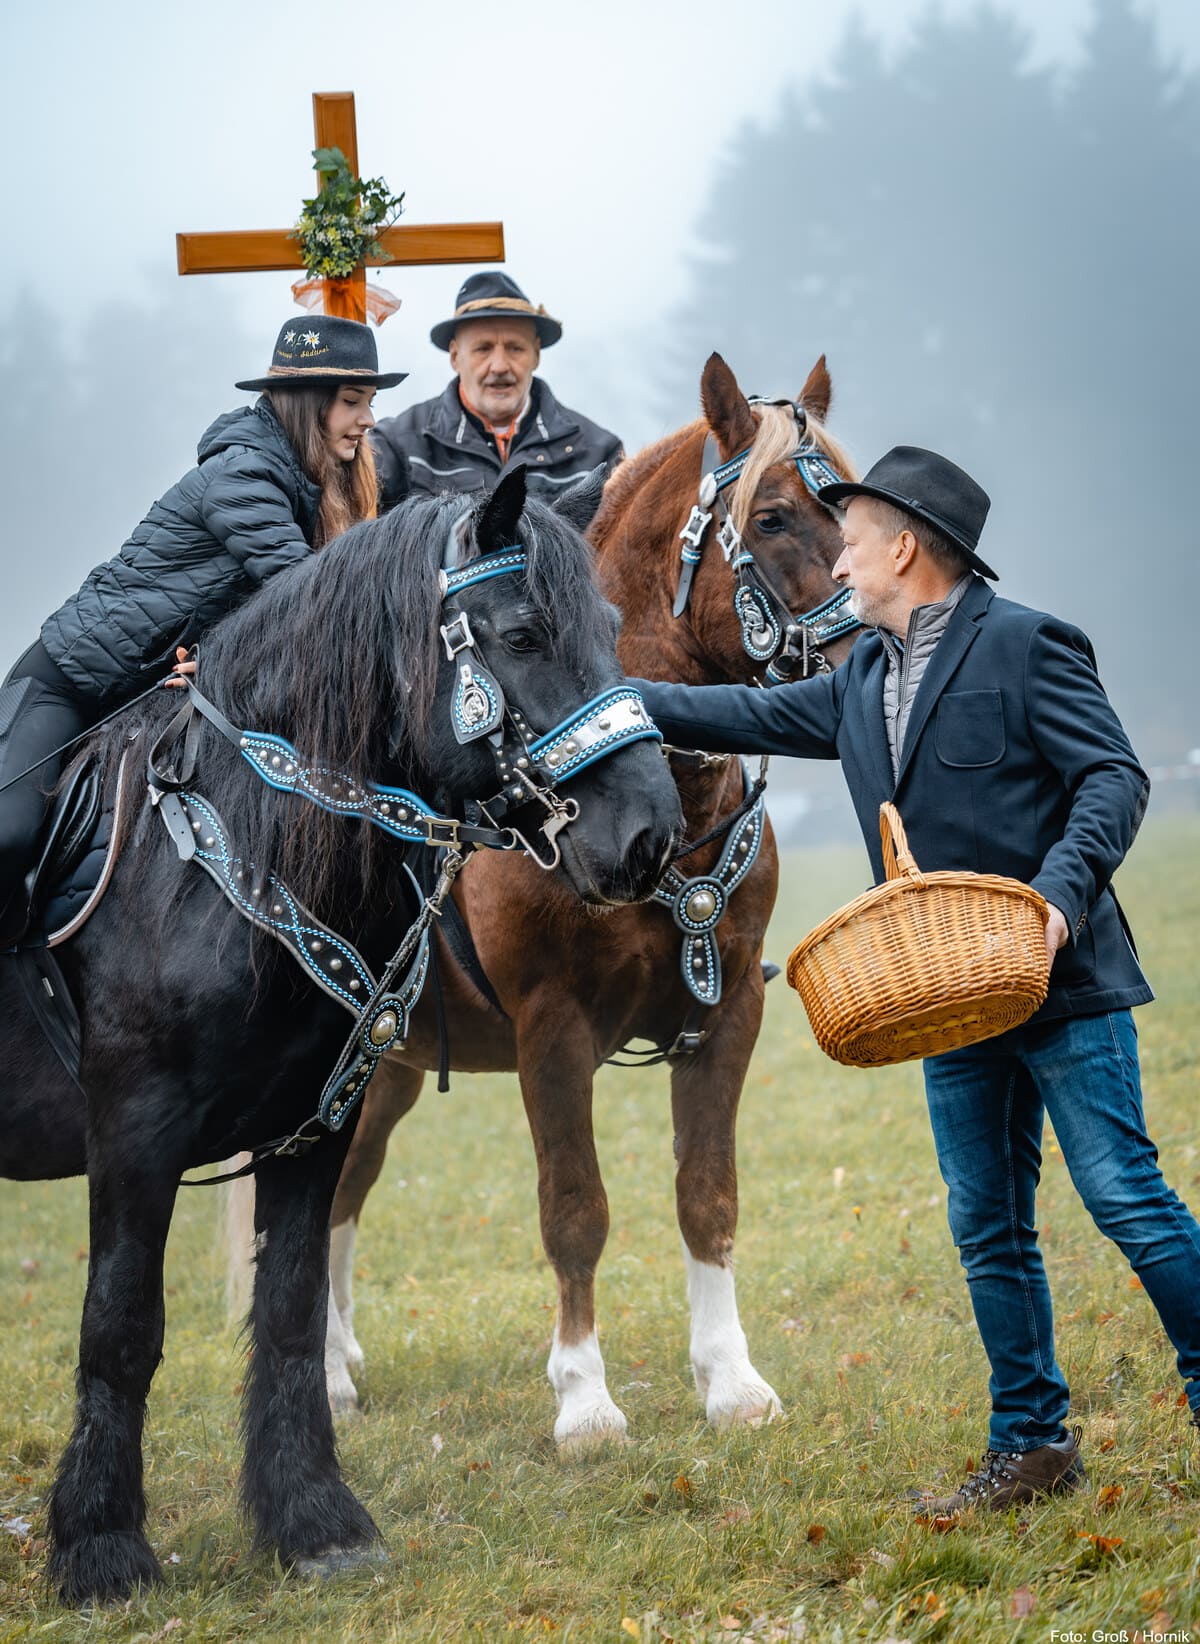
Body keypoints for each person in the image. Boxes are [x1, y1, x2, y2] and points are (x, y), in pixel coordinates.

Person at [631, 445, 1200, 1511]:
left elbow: (1113, 778)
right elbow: (742, 716)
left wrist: (1056, 902)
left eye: (849, 544)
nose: (837, 566)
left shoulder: (1027, 643)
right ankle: (1032, 1448)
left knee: (1127, 1199)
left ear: (904, 548)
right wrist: (614, 699)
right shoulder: (860, 679)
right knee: (988, 1228)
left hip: (1063, 986)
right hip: (946, 999)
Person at [0, 315, 406, 947]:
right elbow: (308, 606)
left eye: (371, 402)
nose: (369, 419)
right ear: (309, 405)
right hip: (68, 686)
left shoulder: (305, 483)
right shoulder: (245, 475)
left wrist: (212, 656)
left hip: (142, 699)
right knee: (9, 834)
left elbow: (259, 621)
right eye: (354, 401)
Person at [371, 271, 623, 507]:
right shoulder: (395, 446)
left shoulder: (600, 454)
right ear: (455, 357)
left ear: (536, 355)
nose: (500, 366)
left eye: (515, 348)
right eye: (483, 348)